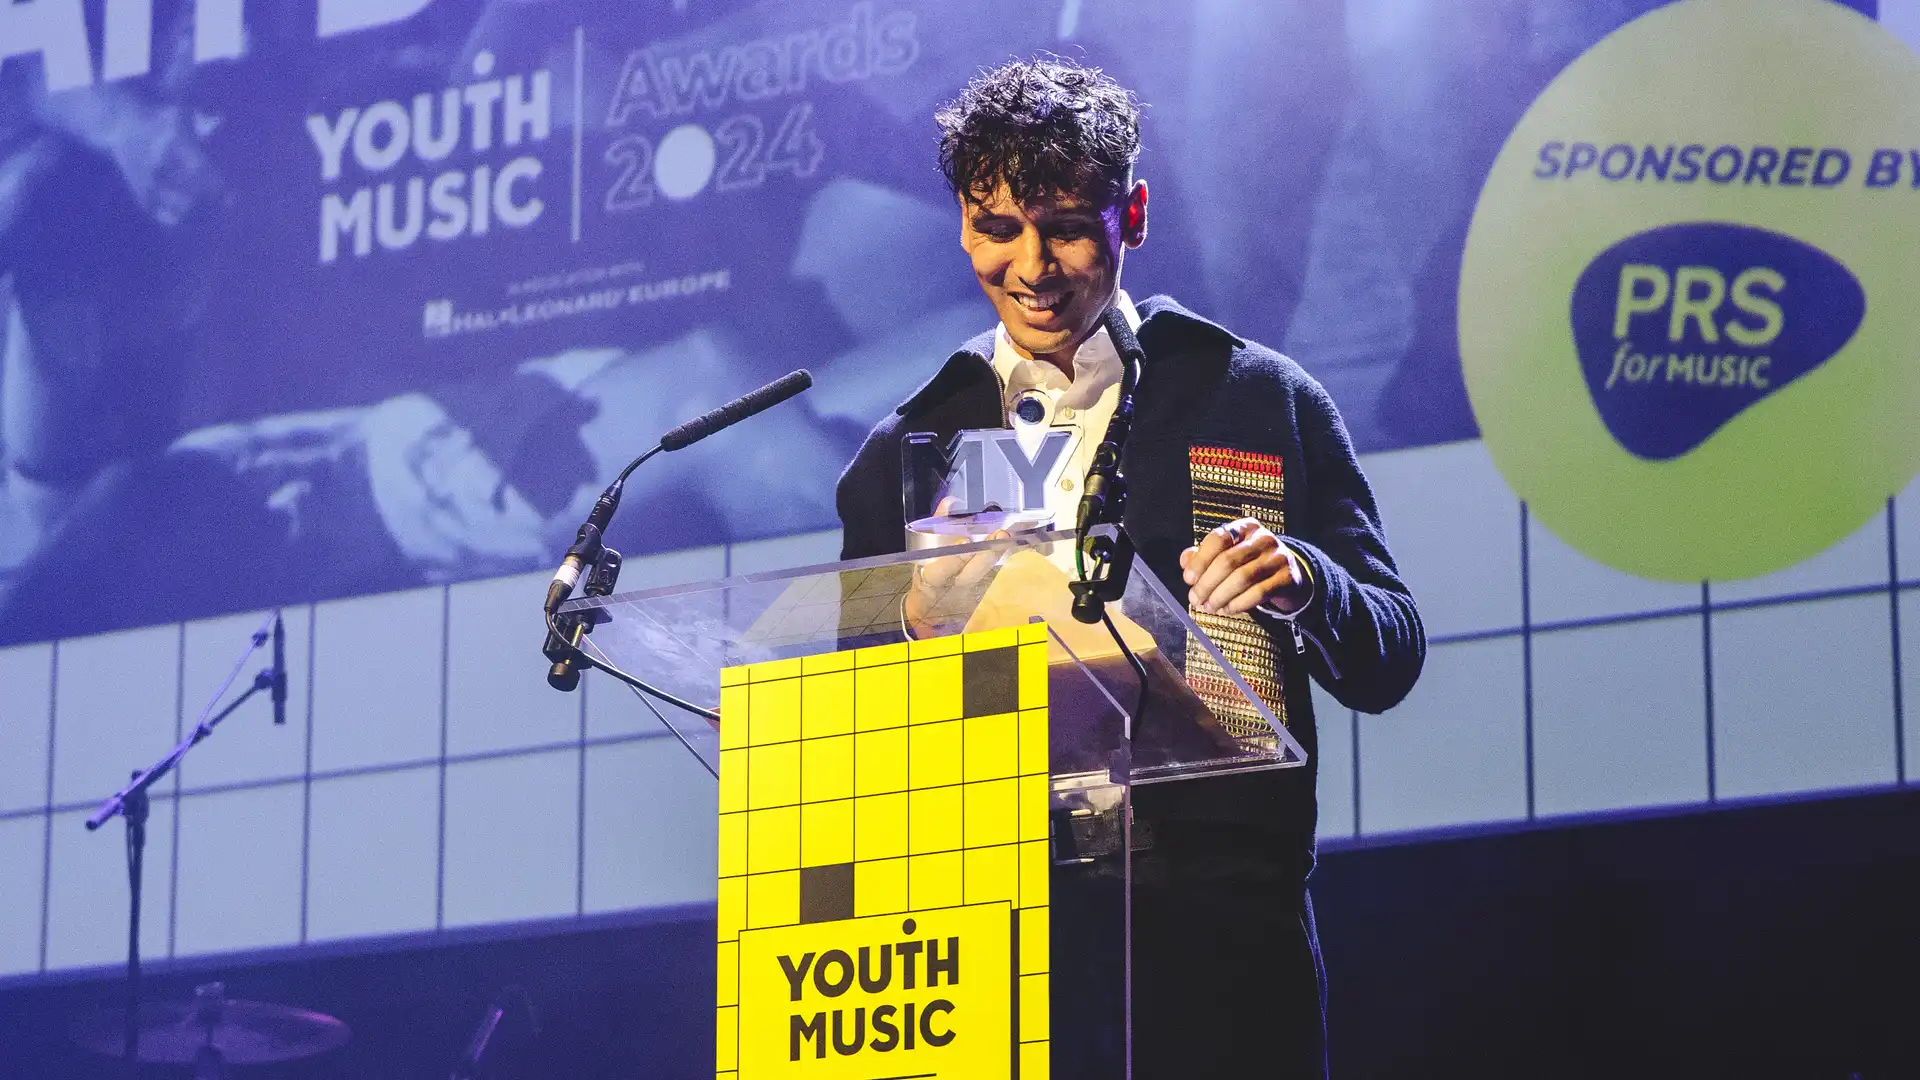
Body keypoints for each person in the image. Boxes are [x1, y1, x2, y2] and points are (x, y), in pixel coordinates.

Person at [835, 57, 1426, 1077]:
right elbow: (849, 728)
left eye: (1066, 223)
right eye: (997, 228)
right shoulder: (912, 446)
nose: (1034, 265)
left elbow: (1391, 651)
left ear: (1134, 214)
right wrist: (915, 621)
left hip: (1218, 925)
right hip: (992, 929)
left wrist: (1307, 581)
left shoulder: (1253, 398)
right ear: (963, 225)